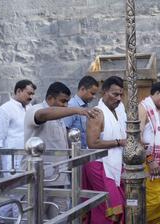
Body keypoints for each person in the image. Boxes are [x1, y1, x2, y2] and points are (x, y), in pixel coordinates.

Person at [24, 81, 98, 219]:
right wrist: (77, 110)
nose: (65, 106)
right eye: (63, 101)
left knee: (60, 219)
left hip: (60, 178)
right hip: (39, 179)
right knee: (32, 219)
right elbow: (43, 115)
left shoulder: (60, 117)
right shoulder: (35, 110)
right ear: (51, 98)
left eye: (67, 103)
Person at [0, 79, 36, 219]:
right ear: (18, 91)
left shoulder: (30, 108)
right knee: (17, 192)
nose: (31, 97)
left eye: (33, 94)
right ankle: (17, 221)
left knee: (22, 192)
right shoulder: (4, 110)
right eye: (29, 93)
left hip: (28, 158)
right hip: (12, 160)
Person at [85, 76, 127, 224]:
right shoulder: (97, 113)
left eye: (121, 95)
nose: (119, 98)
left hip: (114, 165)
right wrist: (119, 142)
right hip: (99, 165)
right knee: (109, 208)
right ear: (104, 92)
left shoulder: (119, 112)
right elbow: (92, 143)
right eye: (115, 94)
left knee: (116, 205)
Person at [139, 81, 160, 223]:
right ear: (158, 93)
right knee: (152, 201)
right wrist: (150, 159)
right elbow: (137, 137)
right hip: (150, 163)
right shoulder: (143, 108)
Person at [63, 75, 99, 149]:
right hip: (74, 153)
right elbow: (64, 131)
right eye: (92, 93)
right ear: (82, 89)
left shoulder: (85, 106)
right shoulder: (72, 106)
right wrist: (71, 153)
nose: (94, 97)